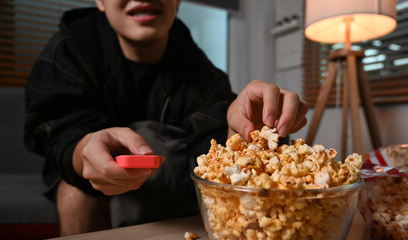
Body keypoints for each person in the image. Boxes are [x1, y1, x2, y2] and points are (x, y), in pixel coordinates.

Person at [24, 0, 308, 236]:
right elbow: (52, 124)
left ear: (177, 2)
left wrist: (244, 129)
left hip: (175, 178)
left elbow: (216, 140)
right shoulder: (71, 47)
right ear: (99, 1)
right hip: (86, 187)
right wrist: (84, 147)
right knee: (76, 193)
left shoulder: (195, 65)